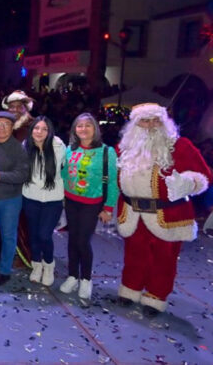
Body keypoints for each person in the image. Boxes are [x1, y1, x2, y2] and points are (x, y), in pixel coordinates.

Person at [116, 103, 211, 316]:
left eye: (155, 120)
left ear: (164, 122)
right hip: (133, 213)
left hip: (168, 214)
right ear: (135, 124)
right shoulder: (124, 148)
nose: (150, 125)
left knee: (164, 258)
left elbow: (204, 175)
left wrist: (188, 182)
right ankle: (130, 288)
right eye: (145, 120)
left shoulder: (181, 146)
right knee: (134, 254)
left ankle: (156, 296)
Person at [61, 112, 117, 301]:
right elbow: (64, 175)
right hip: (71, 201)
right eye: (79, 126)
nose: (83, 129)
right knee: (72, 239)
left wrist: (108, 207)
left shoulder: (106, 152)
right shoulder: (70, 149)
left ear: (95, 128)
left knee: (83, 242)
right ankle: (72, 275)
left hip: (91, 204)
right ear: (74, 130)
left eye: (88, 125)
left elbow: (112, 182)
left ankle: (86, 278)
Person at [0, 111, 30, 286]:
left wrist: (0, 176)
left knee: (8, 235)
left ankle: (4, 270)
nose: (1, 127)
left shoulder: (19, 148)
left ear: (12, 127)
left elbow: (23, 174)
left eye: (6, 124)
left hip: (10, 199)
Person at [21, 116, 65, 287]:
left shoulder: (59, 147)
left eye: (44, 129)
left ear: (50, 131)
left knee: (44, 235)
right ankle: (36, 265)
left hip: (53, 200)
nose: (39, 132)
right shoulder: (25, 147)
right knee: (33, 235)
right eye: (36, 128)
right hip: (30, 198)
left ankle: (48, 265)